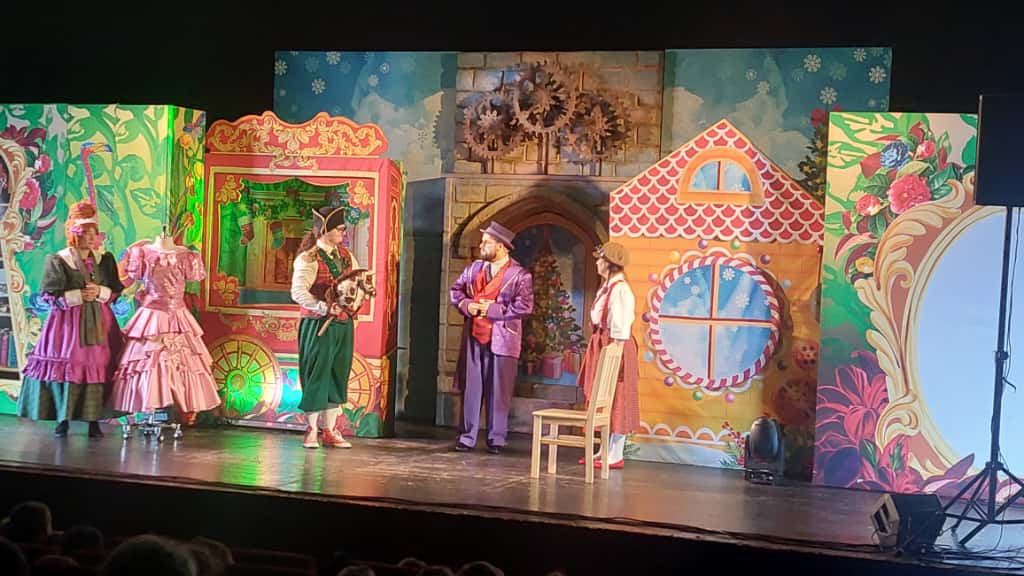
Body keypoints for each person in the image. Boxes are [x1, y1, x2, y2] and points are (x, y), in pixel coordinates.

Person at [18, 201, 125, 438]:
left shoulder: (104, 259)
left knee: (98, 366)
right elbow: (50, 296)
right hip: (68, 325)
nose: (91, 237)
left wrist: (99, 292)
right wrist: (77, 296)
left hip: (99, 323)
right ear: (75, 234)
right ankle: (62, 418)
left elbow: (115, 290)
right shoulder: (60, 260)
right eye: (86, 232)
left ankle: (94, 420)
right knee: (70, 366)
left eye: (93, 232)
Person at [450, 221, 533, 454]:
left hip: (502, 338)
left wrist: (494, 309)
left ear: (501, 246)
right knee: (471, 387)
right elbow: (456, 291)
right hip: (474, 336)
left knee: (499, 390)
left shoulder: (519, 275)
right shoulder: (474, 269)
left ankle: (496, 437)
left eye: (486, 242)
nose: (481, 246)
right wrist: (467, 305)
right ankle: (467, 436)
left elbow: (524, 306)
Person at [291, 205, 362, 449]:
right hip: (318, 324)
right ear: (324, 230)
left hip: (342, 324)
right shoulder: (308, 258)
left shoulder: (346, 256)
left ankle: (329, 430)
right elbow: (298, 292)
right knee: (317, 374)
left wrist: (354, 302)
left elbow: (356, 283)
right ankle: (311, 429)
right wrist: (323, 307)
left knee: (337, 373)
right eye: (339, 228)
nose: (343, 232)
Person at [577, 242, 639, 469]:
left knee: (617, 396)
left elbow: (620, 327)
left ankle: (615, 454)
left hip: (614, 345)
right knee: (604, 396)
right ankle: (605, 450)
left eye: (600, 259)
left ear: (609, 264)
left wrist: (614, 355)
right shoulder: (608, 286)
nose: (597, 263)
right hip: (603, 342)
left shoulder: (620, 290)